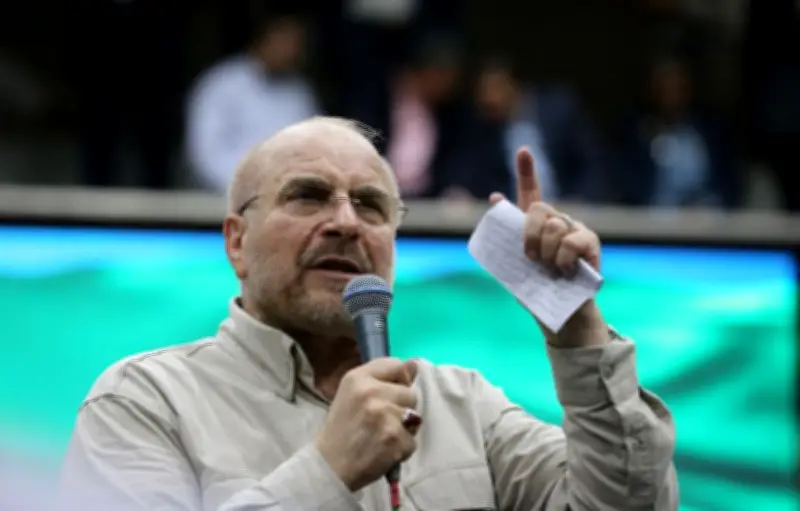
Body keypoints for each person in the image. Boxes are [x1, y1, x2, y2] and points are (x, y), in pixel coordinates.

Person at [58, 116, 679, 510]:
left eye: (371, 205)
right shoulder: (144, 403)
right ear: (236, 242)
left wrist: (577, 324)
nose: (346, 222)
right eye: (308, 196)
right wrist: (326, 471)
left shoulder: (464, 406)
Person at [185, 11, 320, 193]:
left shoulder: (299, 90)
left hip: (288, 195)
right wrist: (247, 189)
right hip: (226, 195)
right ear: (264, 39)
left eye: (298, 45)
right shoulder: (222, 83)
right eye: (286, 42)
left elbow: (314, 145)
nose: (293, 52)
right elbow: (205, 152)